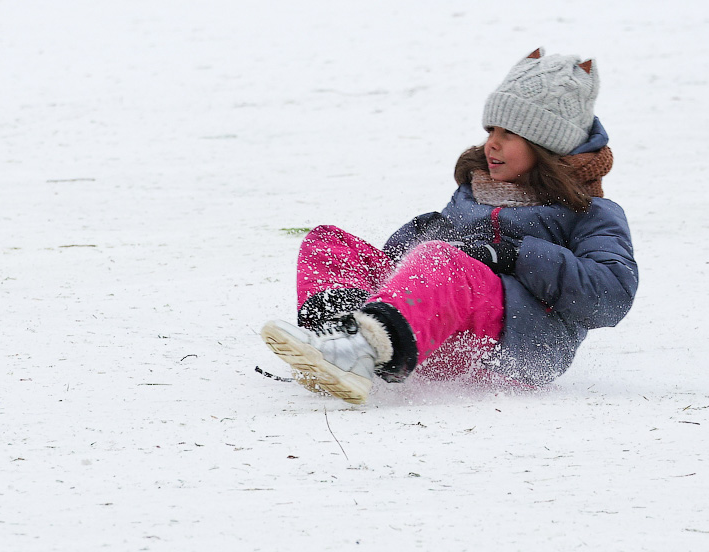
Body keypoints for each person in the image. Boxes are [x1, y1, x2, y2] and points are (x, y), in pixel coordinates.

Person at [261, 48, 638, 404]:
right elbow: (430, 260)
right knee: (329, 242)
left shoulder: (590, 212)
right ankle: (335, 343)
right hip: (435, 330)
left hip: (516, 346)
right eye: (491, 131)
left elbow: (612, 295)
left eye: (509, 135)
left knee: (442, 260)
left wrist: (516, 256)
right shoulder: (475, 191)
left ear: (547, 146)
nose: (492, 144)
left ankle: (360, 354)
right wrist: (401, 260)